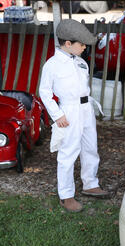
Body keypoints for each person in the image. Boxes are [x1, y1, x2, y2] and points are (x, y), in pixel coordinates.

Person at [39, 19, 109, 213]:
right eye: (82, 44)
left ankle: (90, 183)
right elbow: (44, 92)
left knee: (90, 147)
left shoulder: (80, 62)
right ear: (68, 44)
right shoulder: (52, 65)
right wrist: (57, 114)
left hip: (86, 109)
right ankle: (66, 194)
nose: (85, 47)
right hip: (68, 111)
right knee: (68, 152)